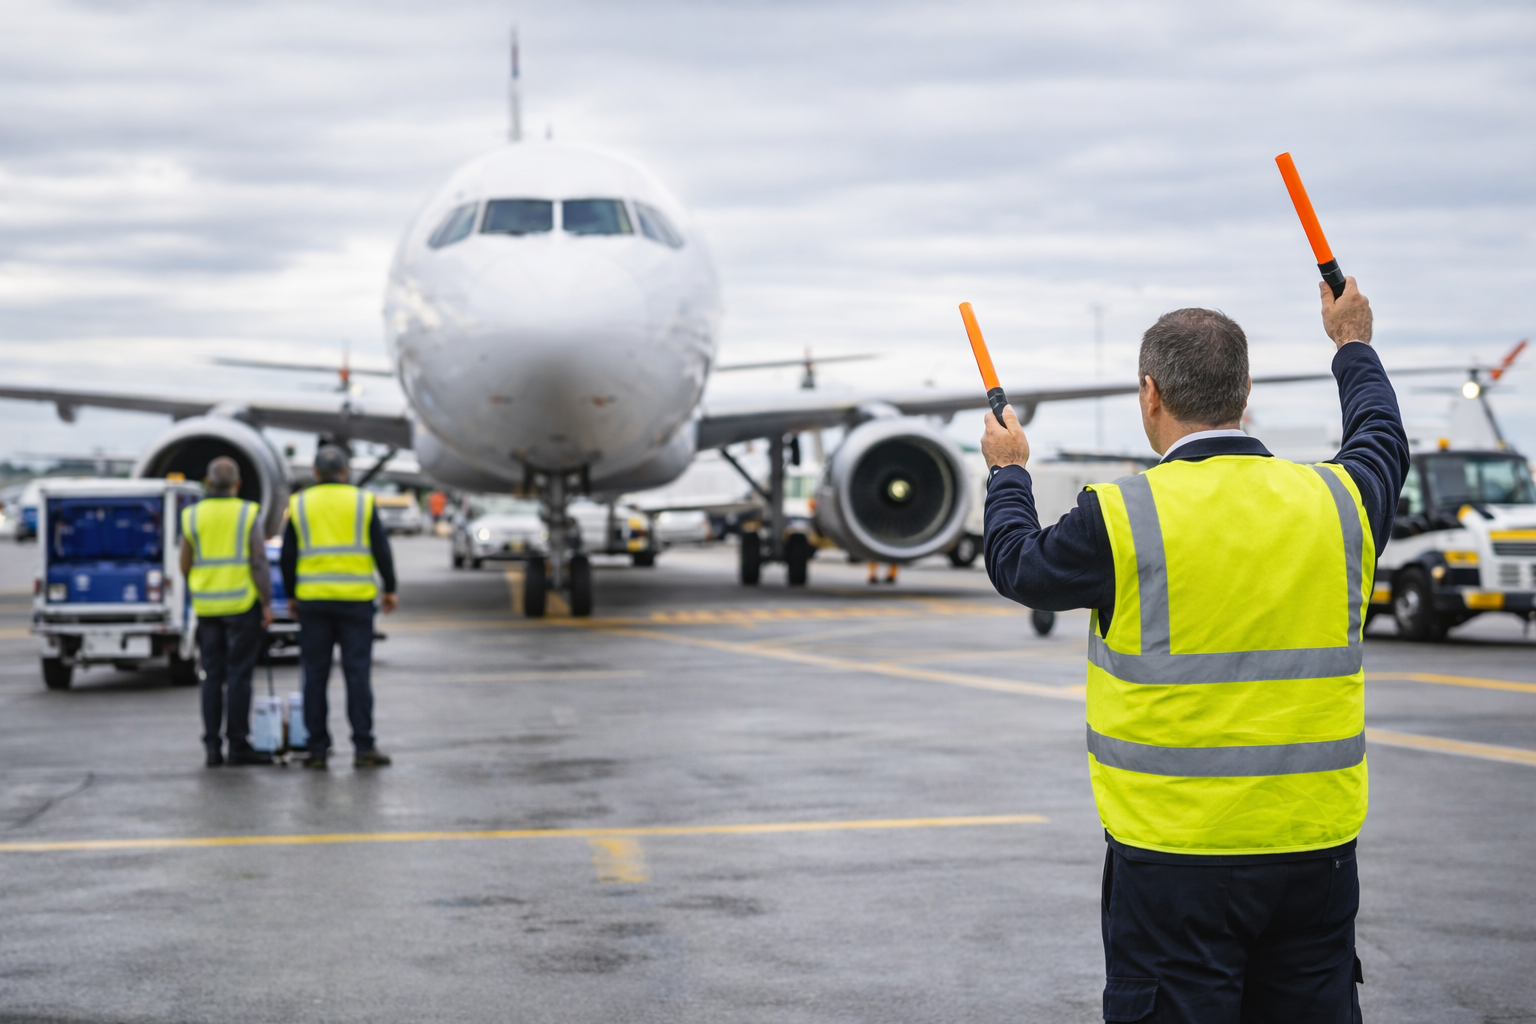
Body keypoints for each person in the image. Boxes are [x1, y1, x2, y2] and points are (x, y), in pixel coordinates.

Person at [982, 278, 1407, 1023]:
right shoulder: (1340, 500)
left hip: (1174, 862)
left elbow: (1017, 565)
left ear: (1151, 394)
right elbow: (1379, 438)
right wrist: (1352, 344)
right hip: (1315, 852)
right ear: (1245, 390)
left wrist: (1009, 471)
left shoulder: (1119, 516)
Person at [280, 445, 399, 770]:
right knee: (357, 675)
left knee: (314, 677)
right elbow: (381, 547)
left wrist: (291, 595)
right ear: (345, 472)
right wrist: (390, 588)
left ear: (315, 473)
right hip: (356, 601)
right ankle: (364, 748)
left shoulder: (299, 504)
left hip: (313, 601)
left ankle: (317, 750)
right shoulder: (362, 501)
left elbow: (287, 556)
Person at [179, 456, 275, 767]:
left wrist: (200, 585)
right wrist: (266, 601)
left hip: (207, 606)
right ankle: (238, 744)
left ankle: (211, 747)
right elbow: (259, 561)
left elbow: (185, 560)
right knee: (239, 677)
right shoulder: (247, 513)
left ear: (208, 483)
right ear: (238, 484)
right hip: (241, 605)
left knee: (211, 676)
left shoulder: (191, 515)